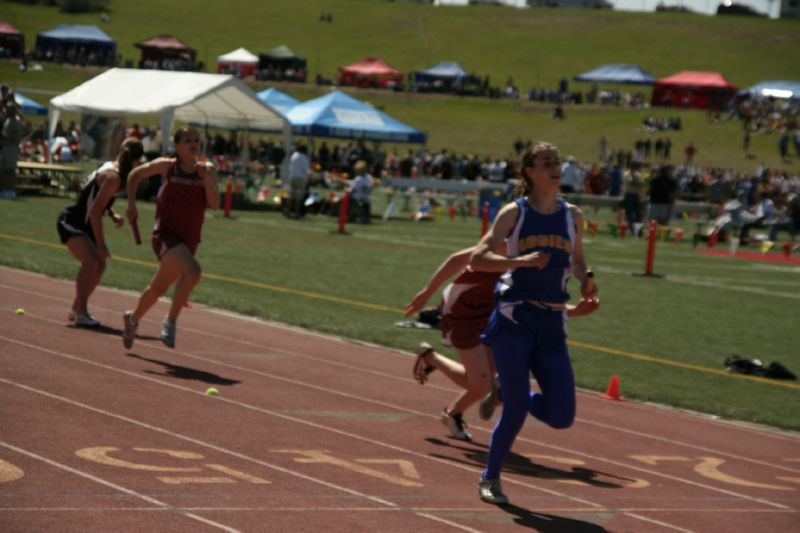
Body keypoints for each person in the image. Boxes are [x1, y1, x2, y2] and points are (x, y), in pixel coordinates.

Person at [469, 141, 598, 505]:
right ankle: (490, 478)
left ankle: (511, 392)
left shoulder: (573, 215)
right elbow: (480, 257)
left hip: (553, 322)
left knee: (562, 416)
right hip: (515, 318)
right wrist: (522, 262)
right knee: (515, 415)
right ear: (529, 171)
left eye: (557, 161)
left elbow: (577, 259)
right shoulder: (515, 213)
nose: (555, 167)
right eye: (546, 163)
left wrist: (587, 278)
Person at [406, 244, 598, 442]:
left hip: (495, 311)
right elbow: (458, 258)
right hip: (462, 310)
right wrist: (427, 292)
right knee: (483, 384)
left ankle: (453, 414)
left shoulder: (543, 257)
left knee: (491, 376)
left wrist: (576, 310)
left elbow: (534, 301)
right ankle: (431, 358)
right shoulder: (510, 241)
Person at [122, 127, 220, 349]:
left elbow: (215, 204)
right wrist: (131, 205)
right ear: (177, 146)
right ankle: (171, 320)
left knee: (157, 289)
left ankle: (133, 318)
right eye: (187, 140)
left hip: (189, 239)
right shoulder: (167, 166)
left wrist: (207, 181)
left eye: (196, 140)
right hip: (165, 235)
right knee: (193, 271)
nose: (193, 144)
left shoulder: (208, 170)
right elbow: (133, 175)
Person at [56, 137, 145, 326]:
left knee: (100, 266)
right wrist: (101, 244)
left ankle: (76, 307)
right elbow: (95, 212)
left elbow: (96, 198)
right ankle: (81, 312)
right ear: (136, 162)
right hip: (73, 221)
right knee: (91, 261)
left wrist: (112, 214)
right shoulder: (114, 178)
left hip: (84, 224)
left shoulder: (110, 166)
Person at [286, 141, 310, 218]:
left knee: (291, 195)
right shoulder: (304, 157)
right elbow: (306, 169)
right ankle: (296, 213)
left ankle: (288, 211)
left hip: (292, 177)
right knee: (298, 197)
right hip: (301, 178)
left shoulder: (294, 155)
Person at [348, 160, 374, 224]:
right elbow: (371, 186)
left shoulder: (358, 179)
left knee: (348, 198)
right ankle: (366, 218)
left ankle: (351, 216)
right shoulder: (369, 177)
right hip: (366, 198)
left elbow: (353, 189)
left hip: (357, 198)